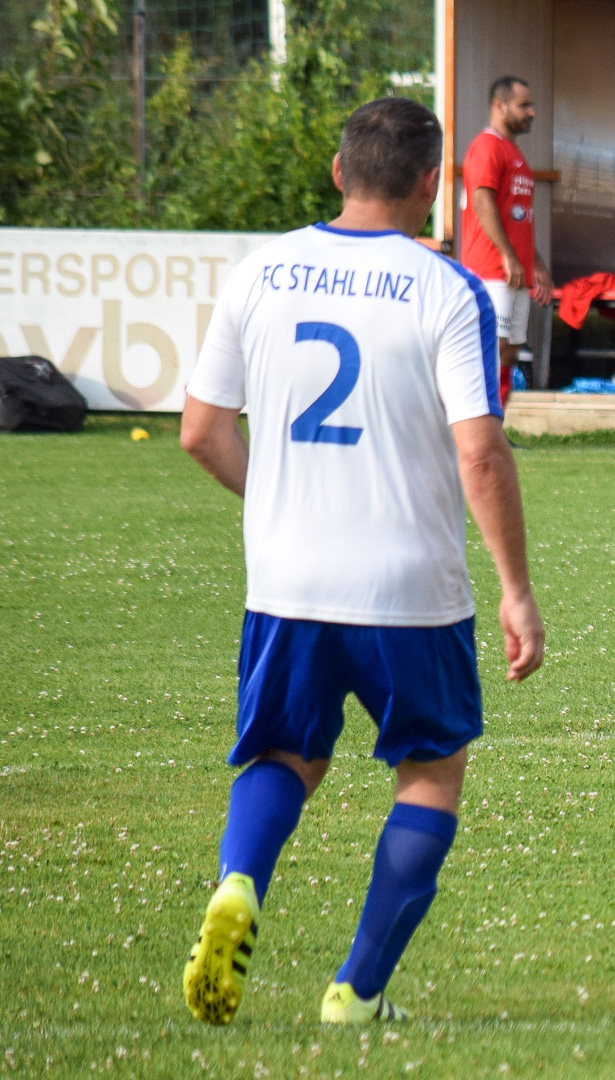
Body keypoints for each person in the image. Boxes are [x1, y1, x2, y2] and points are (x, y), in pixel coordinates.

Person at [178, 97, 545, 1026]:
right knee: (431, 771)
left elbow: (201, 432)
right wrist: (516, 589)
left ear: (339, 171)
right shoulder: (445, 289)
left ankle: (239, 881)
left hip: (288, 582)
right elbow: (480, 452)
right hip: (409, 589)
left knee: (283, 755)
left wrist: (280, 500)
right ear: (431, 183)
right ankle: (358, 991)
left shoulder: (259, 272)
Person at [460, 75, 556, 407]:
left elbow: (518, 220)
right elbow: (482, 200)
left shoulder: (512, 151)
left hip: (514, 271)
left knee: (511, 350)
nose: (531, 112)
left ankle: (496, 421)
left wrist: (536, 264)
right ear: (500, 106)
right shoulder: (487, 146)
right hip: (491, 269)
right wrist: (508, 255)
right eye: (524, 105)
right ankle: (474, 421)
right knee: (493, 346)